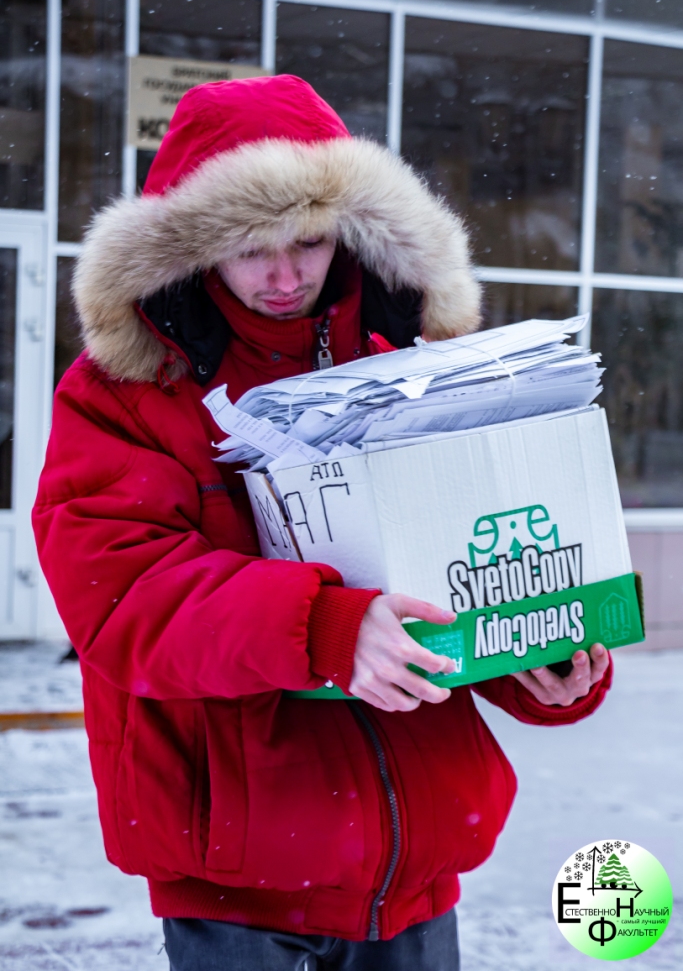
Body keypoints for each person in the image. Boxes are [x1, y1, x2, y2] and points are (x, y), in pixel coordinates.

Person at [33, 75, 611, 971]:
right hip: (237, 868)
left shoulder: (415, 361)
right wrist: (323, 626)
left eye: (306, 241)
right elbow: (124, 596)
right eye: (249, 247)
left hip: (416, 862)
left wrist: (536, 660)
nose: (283, 275)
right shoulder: (126, 395)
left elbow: (459, 560)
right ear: (191, 248)